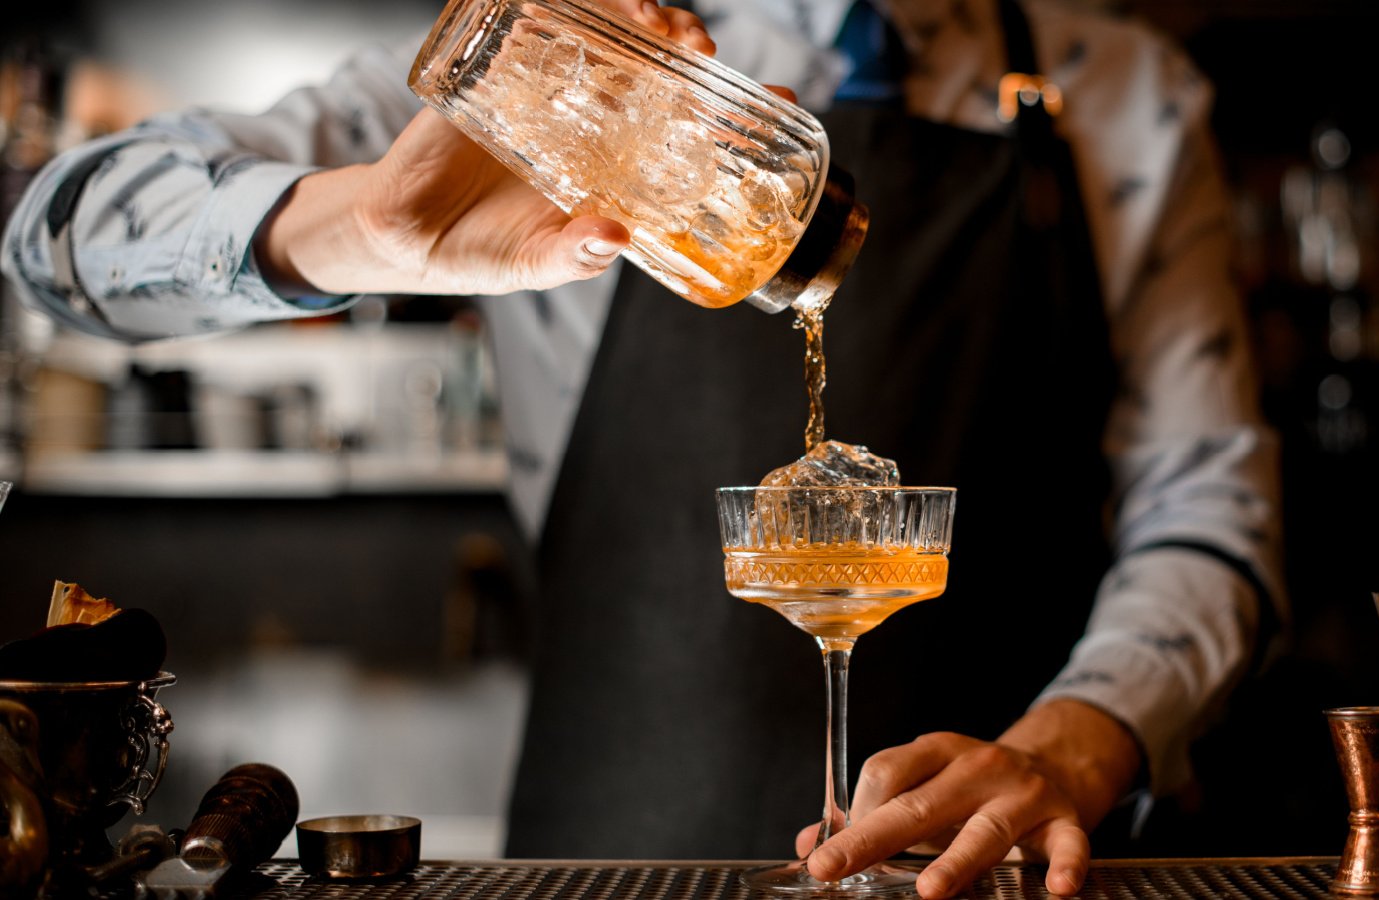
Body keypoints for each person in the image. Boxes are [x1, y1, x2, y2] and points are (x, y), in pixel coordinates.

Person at [2, 0, 1283, 896]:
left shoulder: (1125, 95)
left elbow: (1208, 520)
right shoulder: (552, 66)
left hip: (1001, 875)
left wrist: (1077, 742)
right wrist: (363, 231)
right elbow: (51, 239)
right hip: (610, 856)